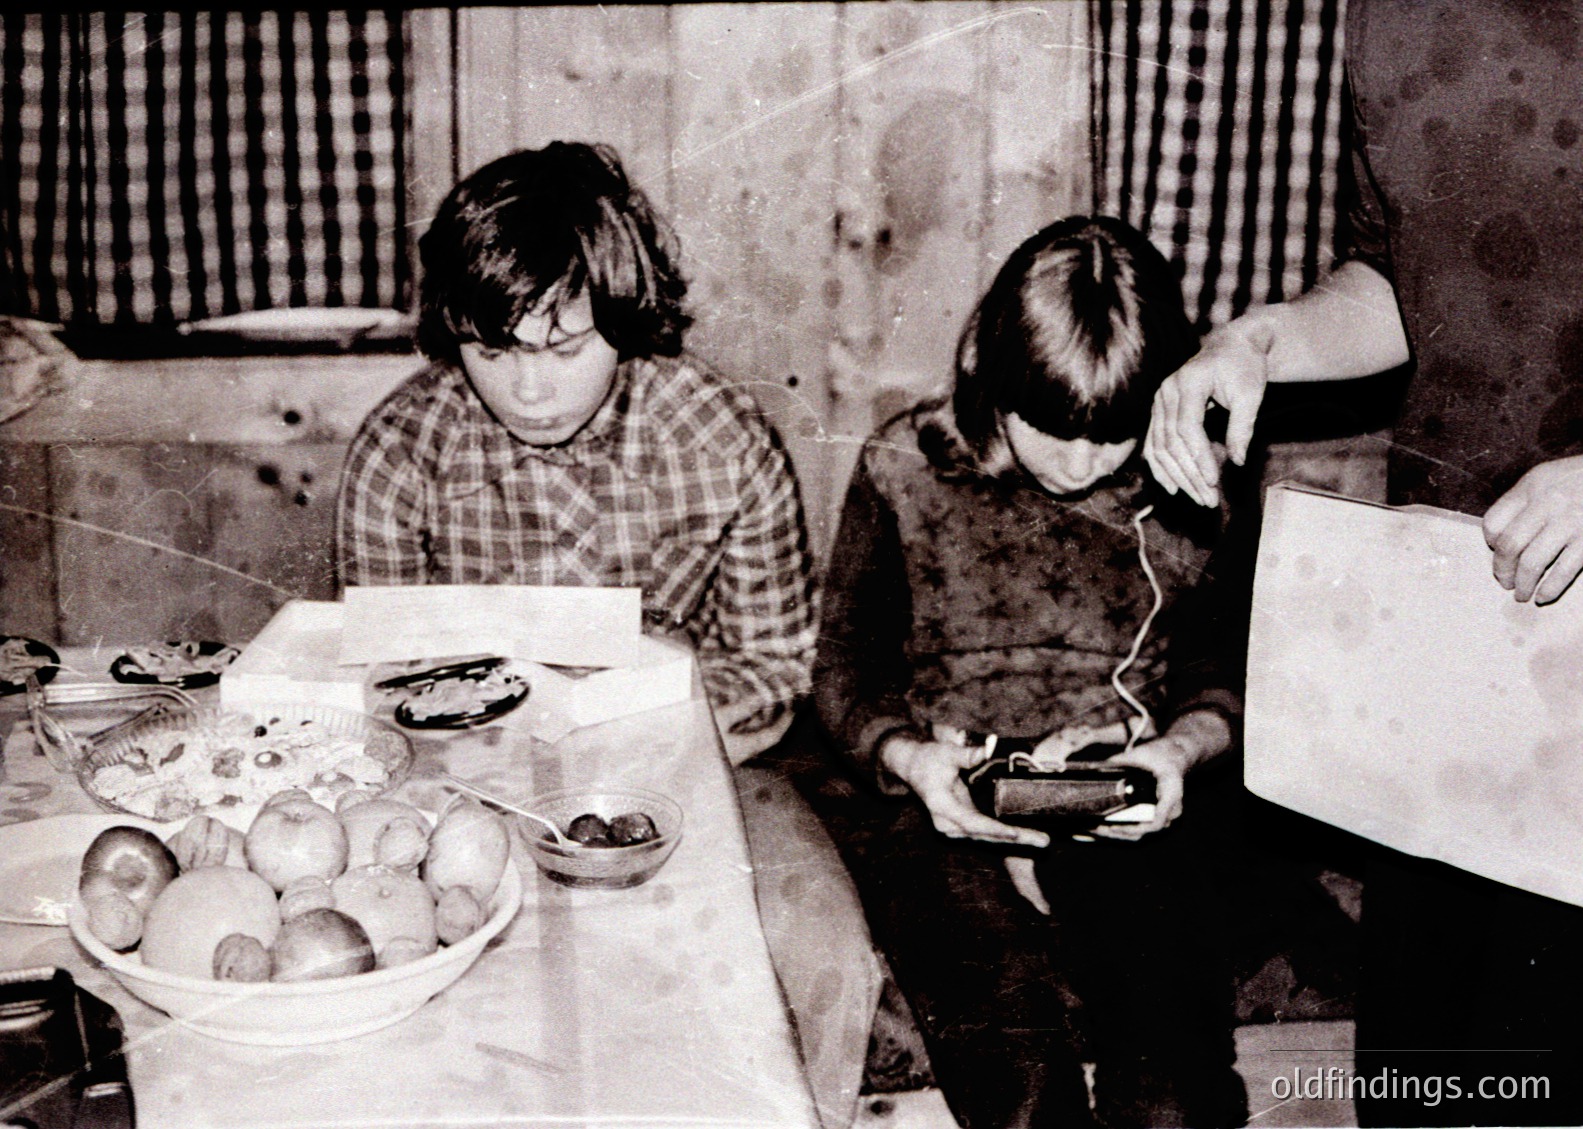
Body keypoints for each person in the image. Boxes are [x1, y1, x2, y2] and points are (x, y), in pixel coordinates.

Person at [1142, 2, 1583, 1124]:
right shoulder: (1385, 18)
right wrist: (1255, 342)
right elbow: (1394, 278)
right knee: (1417, 1068)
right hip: (1457, 602)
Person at [814, 215, 1249, 1128]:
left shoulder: (1193, 474)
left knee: (1173, 1096)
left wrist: (1177, 751)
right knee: (1020, 1089)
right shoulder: (907, 463)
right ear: (989, 371)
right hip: (940, 793)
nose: (1081, 463)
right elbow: (845, 671)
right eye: (1049, 427)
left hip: (1122, 790)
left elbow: (1223, 668)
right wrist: (909, 759)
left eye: (1114, 432)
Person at [335, 141, 816, 764]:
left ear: (623, 319)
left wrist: (616, 744)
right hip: (463, 764)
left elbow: (773, 665)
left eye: (565, 350)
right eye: (491, 352)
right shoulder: (398, 452)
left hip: (666, 752)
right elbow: (384, 678)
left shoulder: (725, 443)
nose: (529, 393)